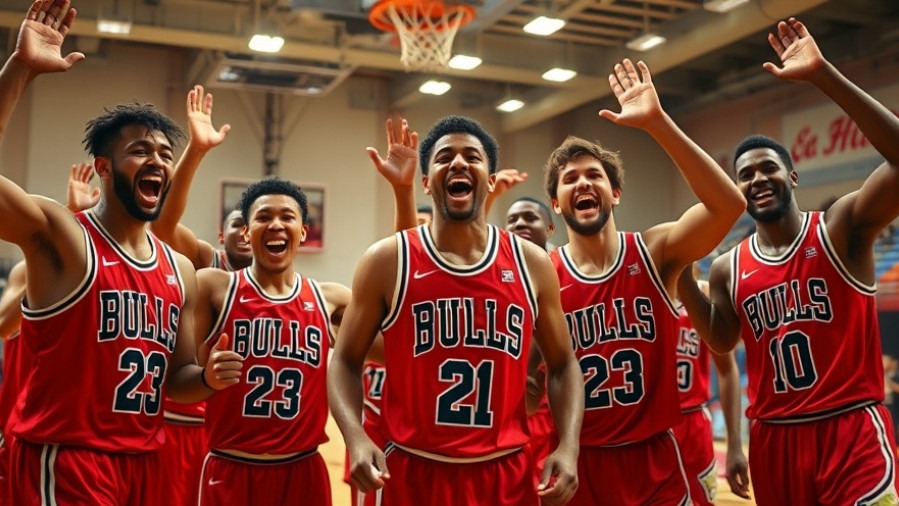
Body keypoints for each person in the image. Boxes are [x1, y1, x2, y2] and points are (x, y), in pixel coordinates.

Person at [0, 2, 240, 502]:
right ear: (104, 168)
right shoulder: (62, 235)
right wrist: (20, 68)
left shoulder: (178, 268)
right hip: (67, 456)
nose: (157, 161)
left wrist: (210, 378)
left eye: (165, 155)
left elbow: (178, 379)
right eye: (140, 152)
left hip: (144, 462)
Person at [677, 17, 899, 505]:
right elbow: (722, 338)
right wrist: (680, 275)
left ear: (792, 177)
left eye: (767, 168)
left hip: (850, 429)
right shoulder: (726, 266)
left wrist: (822, 75)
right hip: (774, 437)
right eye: (745, 174)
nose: (756, 178)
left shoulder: (841, 228)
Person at [330, 115, 584, 505]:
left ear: (490, 178)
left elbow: (564, 363)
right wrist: (356, 435)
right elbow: (344, 359)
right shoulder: (386, 260)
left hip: (506, 473)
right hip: (413, 472)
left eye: (473, 156)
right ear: (427, 181)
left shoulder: (532, 264)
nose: (460, 163)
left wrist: (568, 446)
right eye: (445, 156)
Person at [543, 58, 746, 505]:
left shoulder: (655, 252)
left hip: (654, 459)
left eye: (594, 175)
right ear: (556, 204)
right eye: (569, 179)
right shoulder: (543, 274)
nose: (583, 183)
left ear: (614, 193)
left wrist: (657, 123)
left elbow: (728, 205)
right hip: (578, 462)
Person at [194, 177, 350, 506]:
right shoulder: (215, 288)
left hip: (302, 470)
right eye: (264, 217)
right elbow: (180, 380)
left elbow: (398, 335)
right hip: (230, 468)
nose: (276, 224)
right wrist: (206, 378)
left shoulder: (329, 301)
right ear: (247, 233)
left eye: (287, 217)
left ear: (304, 231)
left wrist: (402, 192)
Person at [0, 162, 100, 503]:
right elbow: (3, 325)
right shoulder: (23, 274)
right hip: (20, 427)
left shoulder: (103, 277)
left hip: (74, 438)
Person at [149, 85, 244, 272]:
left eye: (251, 226)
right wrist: (197, 149)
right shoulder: (206, 258)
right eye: (238, 225)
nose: (244, 233)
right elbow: (162, 226)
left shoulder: (286, 280)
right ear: (222, 236)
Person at [673, 270, 749, 504]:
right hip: (653, 428)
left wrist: (734, 443)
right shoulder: (643, 296)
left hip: (693, 424)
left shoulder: (703, 296)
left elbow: (727, 370)